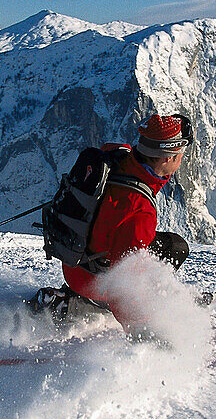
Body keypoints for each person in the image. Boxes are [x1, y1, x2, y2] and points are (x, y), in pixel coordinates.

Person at [30, 114, 192, 335]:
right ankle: (73, 306)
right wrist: (142, 328)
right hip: (89, 280)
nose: (181, 160)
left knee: (171, 244)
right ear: (166, 159)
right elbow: (123, 281)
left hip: (73, 260)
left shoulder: (117, 154)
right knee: (173, 250)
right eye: (180, 155)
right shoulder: (139, 211)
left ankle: (74, 296)